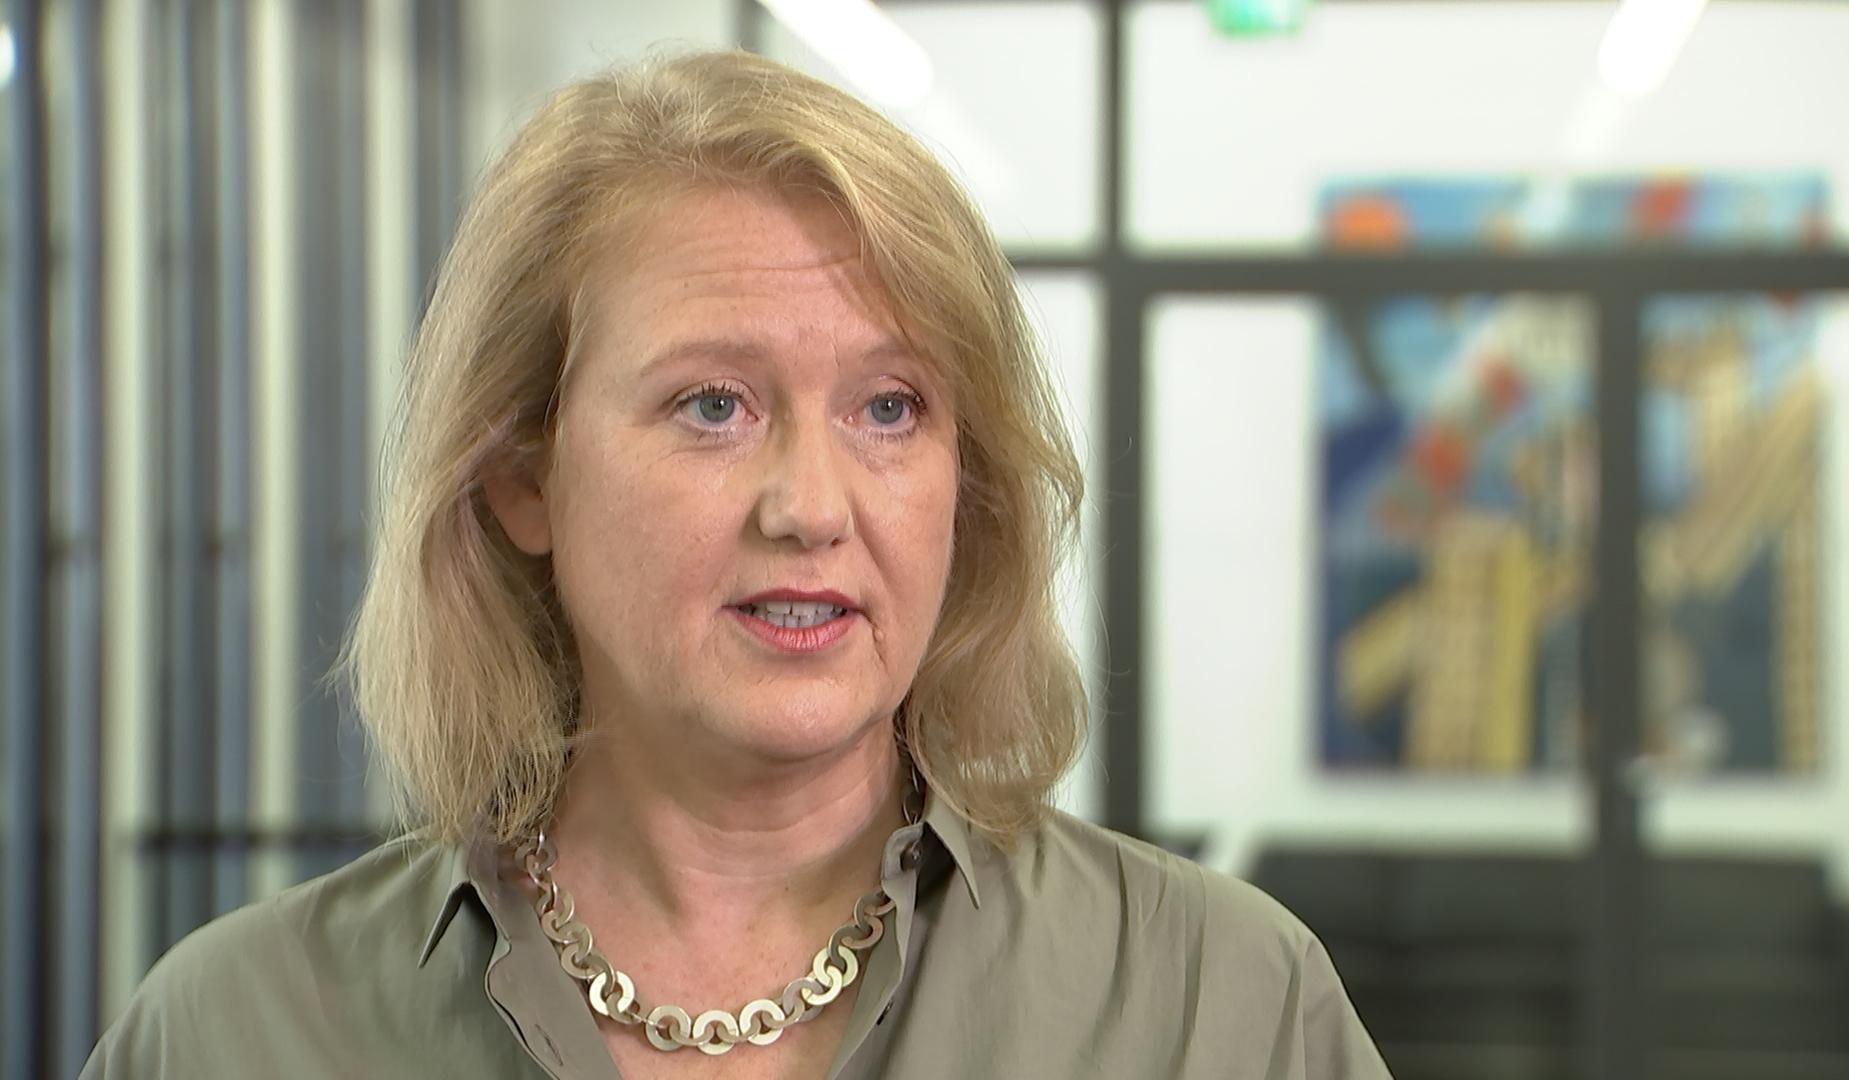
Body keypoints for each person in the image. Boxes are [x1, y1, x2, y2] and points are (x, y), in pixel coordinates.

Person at [83, 50, 1391, 1079]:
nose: (812, 509)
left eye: (891, 408)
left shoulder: (1218, 1008)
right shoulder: (235, 1031)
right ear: (523, 475)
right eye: (714, 404)